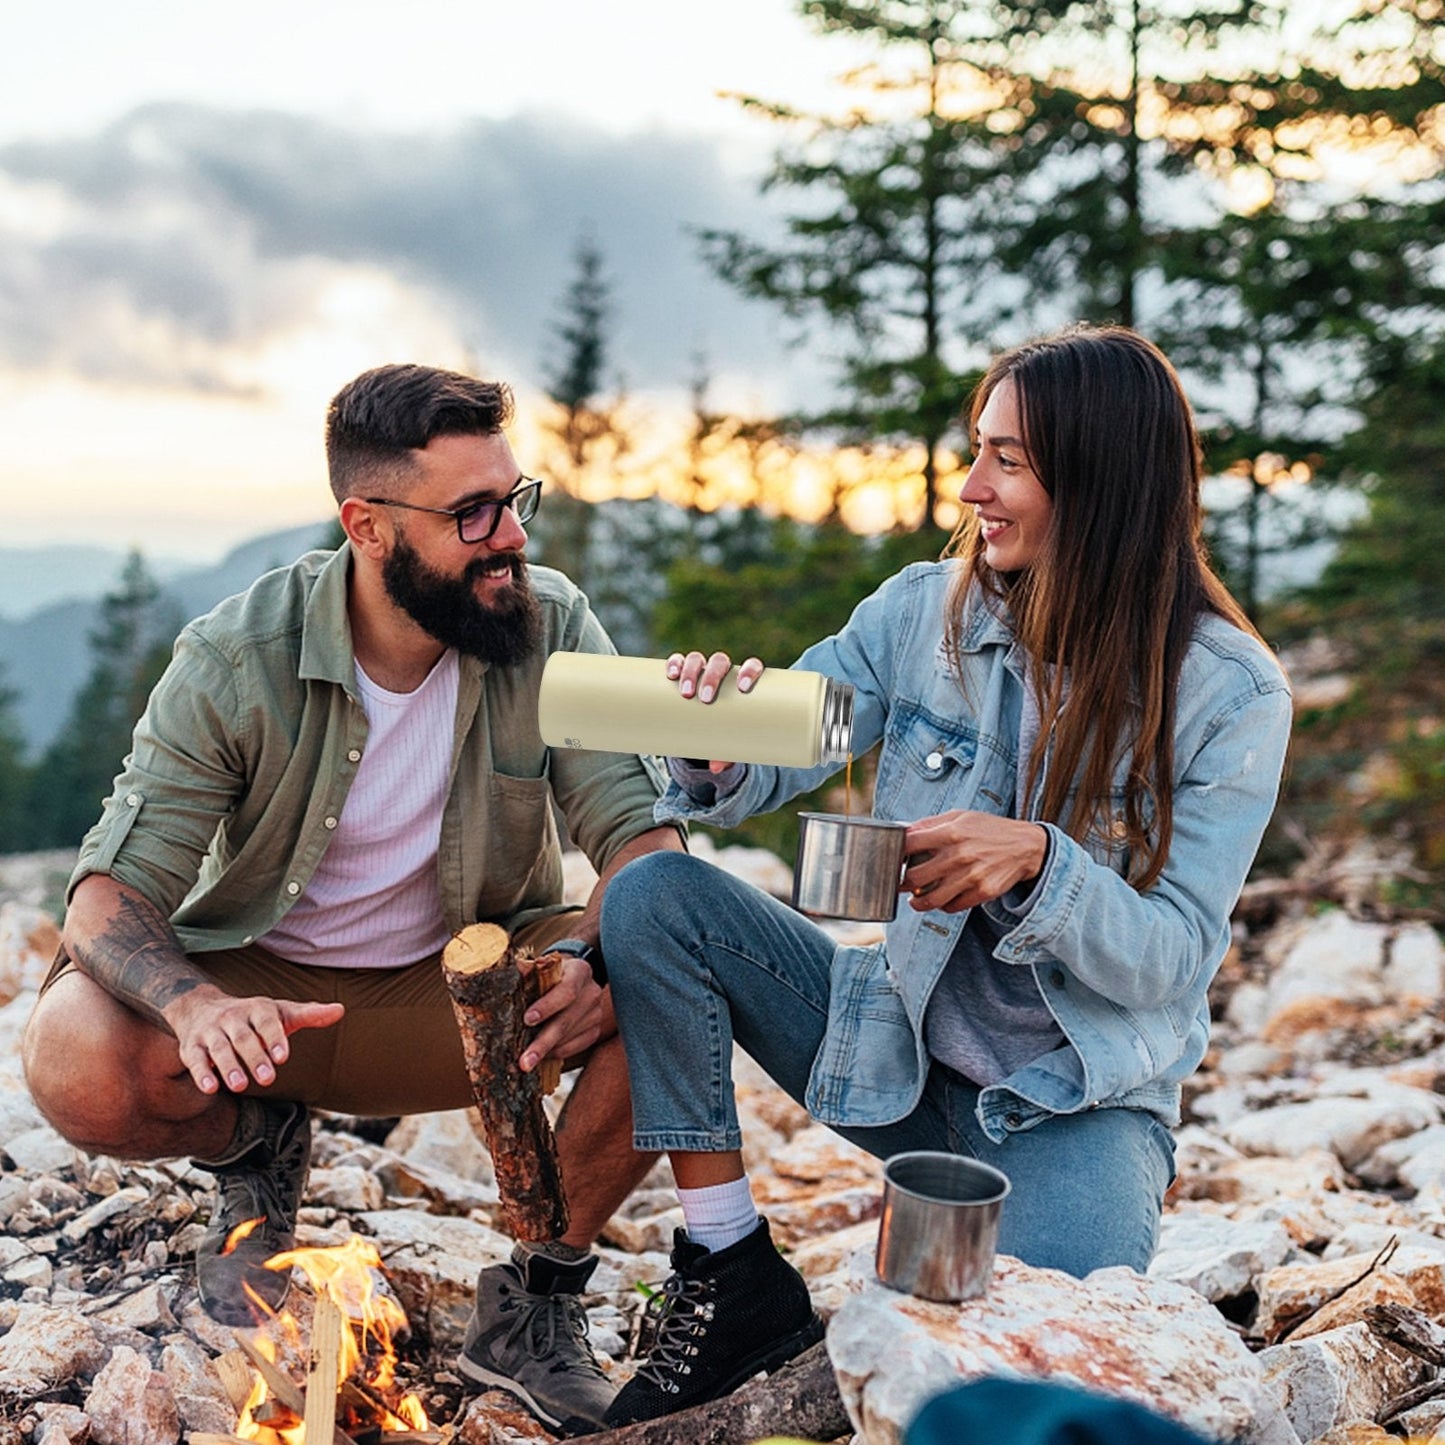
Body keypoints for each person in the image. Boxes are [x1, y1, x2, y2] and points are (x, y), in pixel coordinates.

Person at [596, 325, 1293, 1427]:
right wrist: (715, 741)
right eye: (978, 449)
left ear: (1097, 477)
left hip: (1076, 1108)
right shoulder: (922, 611)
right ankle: (728, 1265)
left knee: (1032, 1383)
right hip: (895, 1052)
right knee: (656, 897)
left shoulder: (1229, 693)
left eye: (1006, 459)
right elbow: (795, 732)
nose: (970, 486)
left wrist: (1040, 862)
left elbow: (1172, 955)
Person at [22, 363, 684, 1437]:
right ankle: (253, 1148)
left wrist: (602, 964)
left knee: (679, 956)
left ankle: (536, 1300)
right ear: (366, 525)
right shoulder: (240, 653)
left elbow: (641, 837)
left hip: (471, 998)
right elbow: (104, 894)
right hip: (264, 1001)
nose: (508, 534)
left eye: (514, 499)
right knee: (73, 1054)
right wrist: (194, 1006)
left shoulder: (548, 621)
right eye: (471, 513)